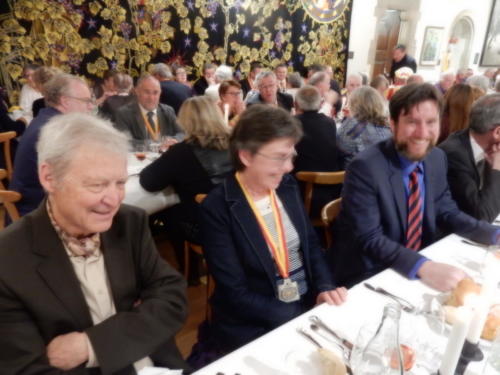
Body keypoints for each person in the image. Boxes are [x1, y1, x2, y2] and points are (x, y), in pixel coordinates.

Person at [0, 112, 188, 374]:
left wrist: (91, 345)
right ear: (49, 177)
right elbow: (27, 369)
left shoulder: (130, 222)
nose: (114, 200)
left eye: (120, 183)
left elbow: (173, 298)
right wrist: (141, 319)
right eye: (97, 185)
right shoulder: (8, 259)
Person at [197, 104, 347, 357]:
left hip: (305, 305)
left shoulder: (285, 186)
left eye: (291, 156)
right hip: (256, 324)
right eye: (280, 157)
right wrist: (299, 315)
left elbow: (310, 244)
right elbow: (235, 293)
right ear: (245, 156)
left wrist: (323, 287)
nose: (289, 167)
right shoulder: (218, 207)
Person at [328, 83, 500, 291]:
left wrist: (493, 234)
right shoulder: (366, 167)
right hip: (372, 272)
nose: (422, 133)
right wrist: (424, 267)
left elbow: (447, 210)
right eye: (411, 122)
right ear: (393, 124)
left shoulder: (436, 158)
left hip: (418, 260)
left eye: (431, 122)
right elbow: (370, 239)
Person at [140, 96, 232, 284]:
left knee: (170, 212)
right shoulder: (239, 142)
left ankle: (190, 273)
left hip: (206, 226)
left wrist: (167, 158)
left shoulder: (181, 152)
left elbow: (149, 182)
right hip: (242, 216)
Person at [11, 74, 95, 216]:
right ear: (65, 101)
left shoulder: (47, 120)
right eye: (86, 101)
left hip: (37, 203)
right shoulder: (57, 130)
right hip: (38, 214)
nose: (91, 107)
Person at [440, 94, 500, 222]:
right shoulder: (455, 155)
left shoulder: (486, 147)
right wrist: (496, 168)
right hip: (445, 237)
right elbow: (482, 215)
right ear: (497, 132)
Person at [294, 85, 341, 217]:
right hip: (331, 190)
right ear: (320, 103)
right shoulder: (329, 123)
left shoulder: (292, 123)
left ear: (296, 103)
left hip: (303, 190)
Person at [114, 74, 183, 142]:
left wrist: (174, 140)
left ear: (160, 93)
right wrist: (150, 145)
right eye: (147, 92)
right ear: (137, 92)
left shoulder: (168, 111)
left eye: (155, 93)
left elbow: (182, 133)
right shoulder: (124, 114)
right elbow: (123, 142)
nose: (151, 98)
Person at [337, 86, 392, 167]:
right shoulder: (388, 127)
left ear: (355, 104)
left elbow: (339, 147)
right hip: (382, 176)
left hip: (354, 175)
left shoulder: (355, 127)